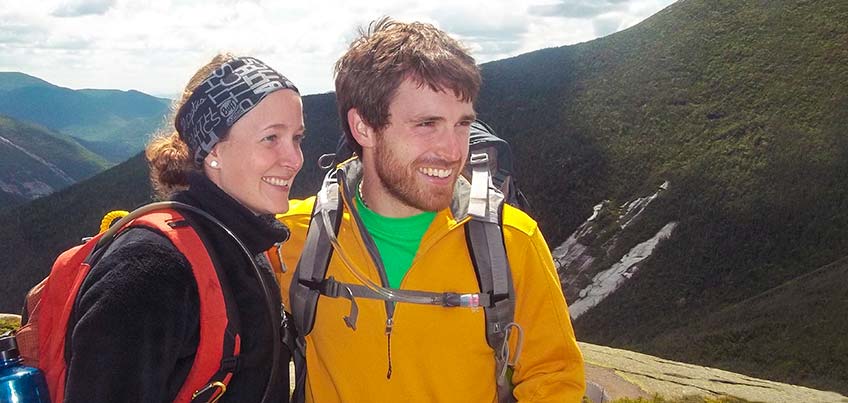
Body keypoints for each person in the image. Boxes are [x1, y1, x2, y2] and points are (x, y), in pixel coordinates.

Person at [275, 18, 585, 402]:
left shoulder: (512, 241)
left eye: (462, 124)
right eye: (426, 124)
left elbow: (554, 377)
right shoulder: (291, 237)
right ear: (364, 127)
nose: (454, 152)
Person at [63, 54, 303, 402]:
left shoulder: (241, 244)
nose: (294, 159)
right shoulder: (149, 270)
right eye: (271, 138)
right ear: (214, 151)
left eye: (297, 138)